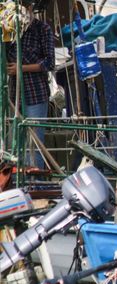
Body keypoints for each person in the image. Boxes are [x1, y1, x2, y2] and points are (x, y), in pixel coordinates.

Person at [7, 0, 55, 169]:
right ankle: (13, 180)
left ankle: (35, 181)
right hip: (14, 94)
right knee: (14, 142)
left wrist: (21, 68)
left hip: (35, 93)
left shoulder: (43, 29)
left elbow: (49, 63)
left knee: (34, 145)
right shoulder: (10, 31)